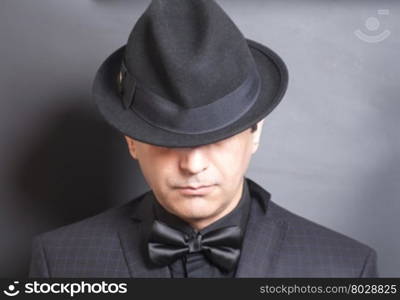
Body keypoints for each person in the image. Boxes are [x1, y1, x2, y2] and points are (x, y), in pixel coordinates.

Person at [29, 0, 378, 278]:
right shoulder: (59, 263)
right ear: (132, 142)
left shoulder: (346, 268)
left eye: (218, 139)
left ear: (255, 133)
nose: (193, 165)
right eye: (167, 141)